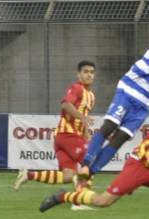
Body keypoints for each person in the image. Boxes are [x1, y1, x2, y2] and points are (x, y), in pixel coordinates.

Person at [77, 27, 149, 179]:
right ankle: (85, 164)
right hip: (128, 90)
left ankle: (88, 175)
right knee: (109, 127)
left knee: (120, 139)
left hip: (143, 104)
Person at [14, 60, 96, 191]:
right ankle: (80, 201)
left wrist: (87, 137)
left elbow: (83, 120)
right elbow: (65, 104)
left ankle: (29, 175)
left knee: (68, 175)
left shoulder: (91, 96)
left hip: (62, 138)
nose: (89, 75)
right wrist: (82, 117)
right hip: (68, 135)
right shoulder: (77, 88)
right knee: (90, 162)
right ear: (78, 74)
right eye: (85, 72)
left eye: (92, 72)